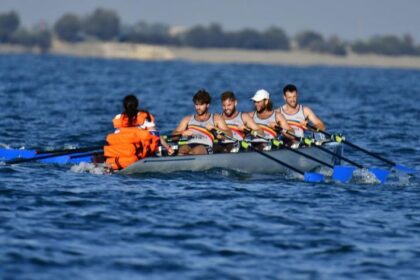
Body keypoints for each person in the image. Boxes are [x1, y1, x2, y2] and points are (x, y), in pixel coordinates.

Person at [104, 95, 173, 170]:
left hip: (119, 156)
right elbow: (156, 135)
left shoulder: (118, 117)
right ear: (137, 104)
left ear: (124, 105)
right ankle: (155, 154)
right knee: (153, 136)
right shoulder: (144, 116)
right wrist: (168, 148)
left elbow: (117, 135)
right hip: (137, 155)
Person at [173, 89, 232, 155]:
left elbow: (229, 134)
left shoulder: (216, 118)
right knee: (181, 150)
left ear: (207, 105)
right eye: (196, 105)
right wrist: (182, 133)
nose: (198, 107)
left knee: (193, 152)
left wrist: (215, 128)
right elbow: (174, 135)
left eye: (201, 105)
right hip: (190, 144)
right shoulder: (187, 119)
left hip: (206, 146)